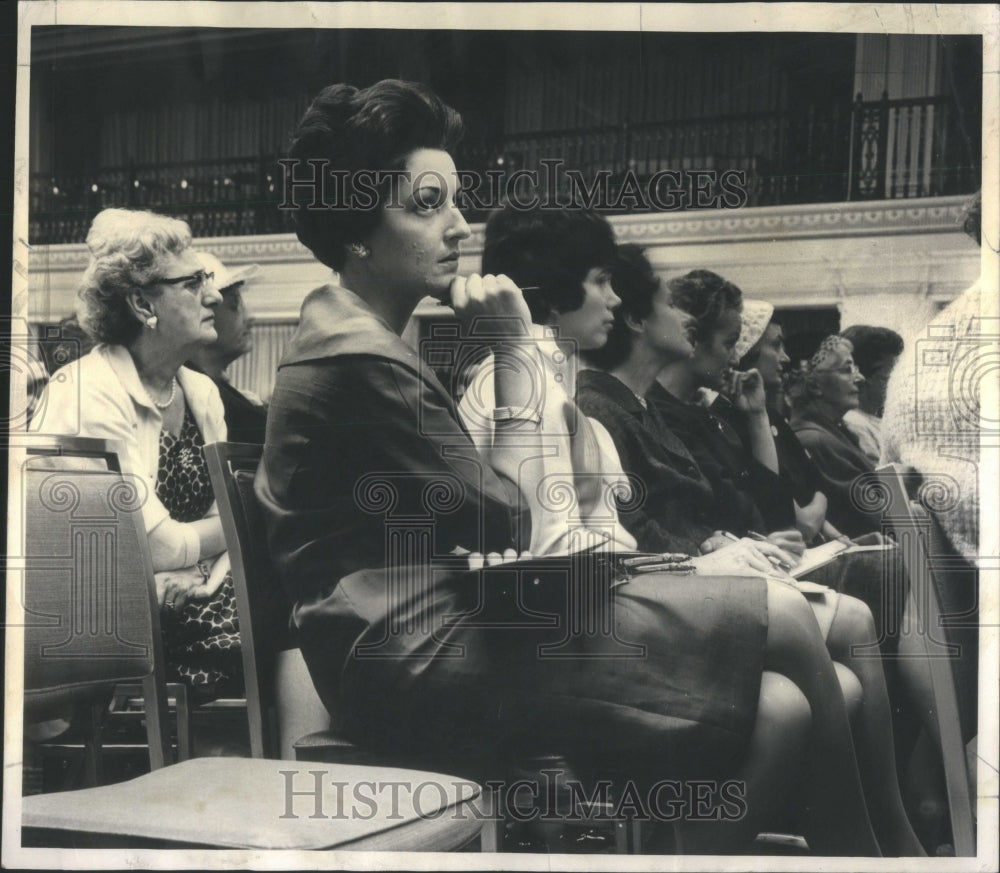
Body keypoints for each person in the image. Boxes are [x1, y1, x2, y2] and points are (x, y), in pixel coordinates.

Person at [255, 79, 902, 855]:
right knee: (791, 618)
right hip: (408, 657)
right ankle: (877, 851)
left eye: (456, 200)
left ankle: (873, 846)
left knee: (783, 708)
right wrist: (512, 352)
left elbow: (490, 518)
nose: (461, 225)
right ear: (357, 226)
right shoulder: (357, 354)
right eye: (427, 204)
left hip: (447, 626)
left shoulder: (359, 340)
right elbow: (507, 516)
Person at [31, 208, 242, 701]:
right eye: (193, 283)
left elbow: (230, 522)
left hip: (193, 595)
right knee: (294, 604)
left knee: (296, 595)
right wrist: (210, 546)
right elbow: (152, 546)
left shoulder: (200, 392)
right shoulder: (86, 391)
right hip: (103, 619)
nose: (214, 296)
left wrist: (200, 566)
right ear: (143, 304)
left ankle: (247, 751)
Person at [649, 269, 805, 553]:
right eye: (729, 343)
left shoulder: (706, 416)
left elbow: (780, 513)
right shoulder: (662, 418)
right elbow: (742, 519)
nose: (735, 358)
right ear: (693, 340)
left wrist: (757, 416)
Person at [788, 335, 882, 538]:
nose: (860, 378)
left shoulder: (835, 431)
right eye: (846, 369)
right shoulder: (815, 440)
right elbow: (878, 515)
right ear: (814, 385)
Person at [185, 251, 267, 444]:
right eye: (235, 303)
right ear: (205, 313)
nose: (250, 317)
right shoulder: (207, 402)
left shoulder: (230, 396)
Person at [839, 325, 904, 464]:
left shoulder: (873, 419)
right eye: (888, 377)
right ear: (862, 377)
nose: (897, 384)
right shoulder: (855, 424)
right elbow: (881, 482)